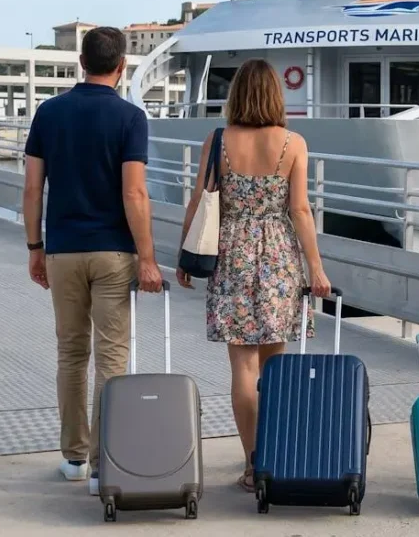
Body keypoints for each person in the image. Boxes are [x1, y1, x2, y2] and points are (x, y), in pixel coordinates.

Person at [175, 59, 330, 493]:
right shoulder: (293, 143)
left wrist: (184, 255)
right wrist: (315, 267)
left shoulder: (218, 140)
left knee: (242, 365)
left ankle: (251, 462)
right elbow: (299, 210)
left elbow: (201, 199)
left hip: (232, 255)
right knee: (275, 365)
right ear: (276, 95)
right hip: (279, 255)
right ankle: (278, 457)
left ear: (237, 95)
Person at [22, 26, 164, 495]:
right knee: (111, 356)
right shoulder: (130, 117)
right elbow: (134, 192)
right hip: (113, 253)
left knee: (71, 354)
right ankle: (107, 461)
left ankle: (73, 457)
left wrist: (34, 248)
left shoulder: (49, 113)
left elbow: (31, 188)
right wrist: (147, 258)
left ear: (81, 62)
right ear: (121, 66)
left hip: (62, 250)